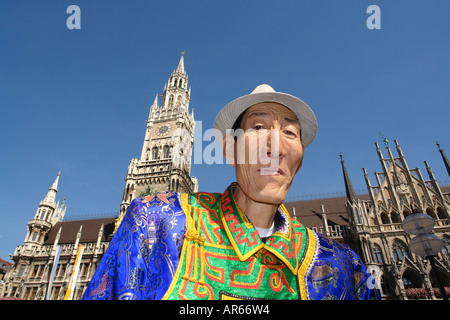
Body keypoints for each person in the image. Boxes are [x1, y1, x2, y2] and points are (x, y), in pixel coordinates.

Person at [82, 84, 380, 300]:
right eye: (259, 127)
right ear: (230, 149)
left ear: (300, 157)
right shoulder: (153, 223)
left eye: (290, 133)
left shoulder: (343, 265)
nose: (275, 146)